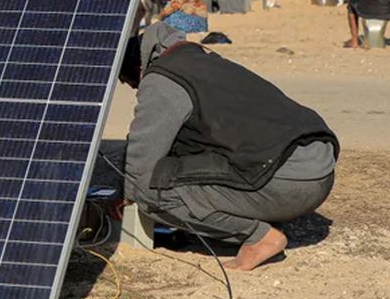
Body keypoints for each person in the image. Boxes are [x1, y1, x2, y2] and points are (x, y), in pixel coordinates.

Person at [120, 22, 339, 270]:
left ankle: (260, 237)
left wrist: (122, 199)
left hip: (287, 181)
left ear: (139, 68)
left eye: (132, 84)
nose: (137, 91)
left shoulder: (162, 78)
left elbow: (141, 163)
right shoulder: (202, 58)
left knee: (148, 190)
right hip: (321, 169)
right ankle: (264, 214)